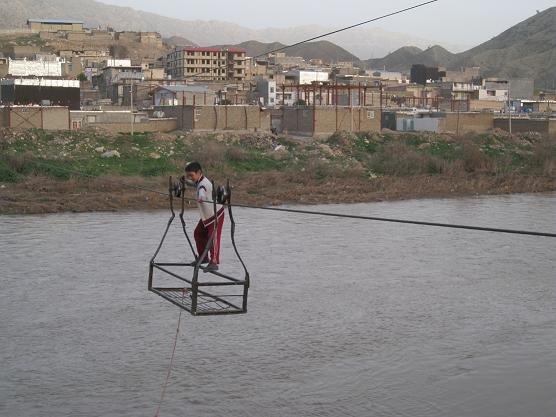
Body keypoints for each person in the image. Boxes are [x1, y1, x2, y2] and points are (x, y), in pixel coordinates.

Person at [184, 162, 224, 272]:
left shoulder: (203, 184)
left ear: (199, 173)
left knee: (213, 237)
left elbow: (202, 191)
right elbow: (196, 185)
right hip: (207, 216)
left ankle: (214, 262)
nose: (190, 178)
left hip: (216, 215)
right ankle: (204, 257)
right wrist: (186, 182)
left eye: (191, 175)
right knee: (198, 233)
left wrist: (201, 197)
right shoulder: (199, 181)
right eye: (188, 175)